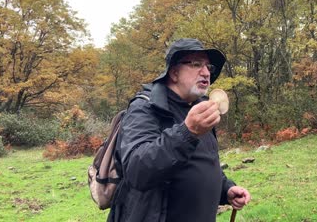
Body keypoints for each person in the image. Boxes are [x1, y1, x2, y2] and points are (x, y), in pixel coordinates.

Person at [108, 38, 251, 222]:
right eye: (196, 64)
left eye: (208, 67)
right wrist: (187, 132)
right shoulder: (145, 107)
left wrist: (226, 189)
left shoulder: (201, 108)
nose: (206, 72)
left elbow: (202, 162)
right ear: (174, 72)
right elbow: (137, 171)